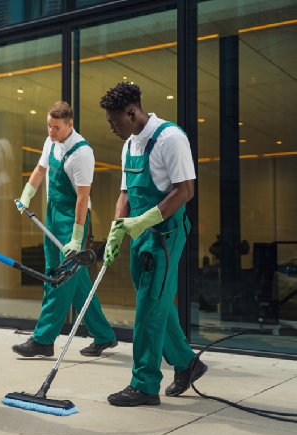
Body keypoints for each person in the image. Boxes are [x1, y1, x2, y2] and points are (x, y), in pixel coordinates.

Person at [100, 82, 207, 406]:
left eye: (115, 121)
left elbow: (185, 190)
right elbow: (124, 193)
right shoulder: (129, 144)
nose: (112, 127)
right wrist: (117, 229)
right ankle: (188, 363)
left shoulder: (170, 139)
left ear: (132, 113)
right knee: (156, 303)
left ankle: (145, 384)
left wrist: (143, 222)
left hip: (165, 234)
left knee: (148, 306)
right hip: (139, 234)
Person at [11, 101, 117, 358]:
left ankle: (43, 339)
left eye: (56, 127)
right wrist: (27, 194)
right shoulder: (51, 142)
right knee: (75, 280)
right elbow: (39, 170)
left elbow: (82, 199)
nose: (51, 131)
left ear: (70, 124)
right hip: (52, 213)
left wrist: (76, 238)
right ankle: (103, 334)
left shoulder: (82, 153)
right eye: (48, 126)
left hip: (73, 219)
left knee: (59, 279)